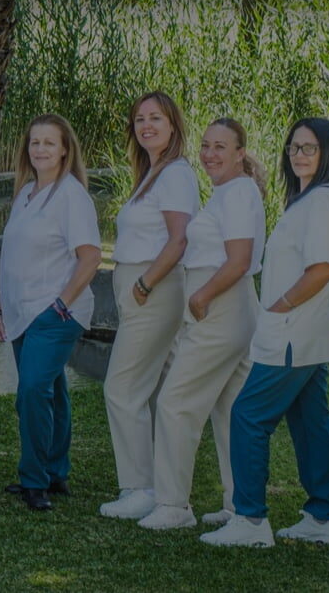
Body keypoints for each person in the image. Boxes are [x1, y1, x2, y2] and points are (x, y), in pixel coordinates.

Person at [203, 118, 329, 548]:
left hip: (292, 331)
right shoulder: (310, 199)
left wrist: (280, 305)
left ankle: (250, 520)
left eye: (309, 148)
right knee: (310, 423)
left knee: (247, 415)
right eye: (293, 147)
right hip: (307, 334)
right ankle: (322, 518)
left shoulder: (322, 201)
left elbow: (322, 268)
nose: (298, 155)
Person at [141, 118, 266, 531]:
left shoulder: (238, 193)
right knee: (230, 407)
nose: (210, 154)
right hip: (233, 306)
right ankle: (238, 503)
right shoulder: (228, 192)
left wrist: (201, 296)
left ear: (240, 153)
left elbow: (239, 260)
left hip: (221, 306)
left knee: (175, 401)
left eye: (220, 147)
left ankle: (173, 504)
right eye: (206, 145)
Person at [0, 114, 102, 511]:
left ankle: (34, 480)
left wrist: (60, 304)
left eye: (49, 143)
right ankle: (55, 471)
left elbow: (90, 258)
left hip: (56, 312)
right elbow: (11, 258)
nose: (40, 149)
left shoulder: (71, 196)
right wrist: (0, 309)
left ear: (65, 150)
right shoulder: (25, 193)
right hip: (22, 311)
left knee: (32, 391)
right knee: (51, 390)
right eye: (34, 142)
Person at [99, 93, 198, 520]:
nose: (146, 126)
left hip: (153, 289)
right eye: (139, 119)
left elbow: (180, 239)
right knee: (150, 389)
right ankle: (160, 486)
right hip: (143, 288)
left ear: (173, 125)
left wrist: (144, 283)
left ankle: (139, 487)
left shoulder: (174, 174)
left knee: (122, 388)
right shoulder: (153, 173)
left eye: (155, 118)